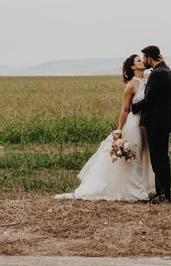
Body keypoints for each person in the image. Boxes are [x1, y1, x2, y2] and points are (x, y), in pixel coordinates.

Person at [54, 54, 154, 201]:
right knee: (133, 155)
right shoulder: (131, 85)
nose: (142, 61)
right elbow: (125, 109)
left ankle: (140, 188)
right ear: (133, 67)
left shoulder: (147, 81)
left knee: (142, 155)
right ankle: (136, 192)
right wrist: (119, 129)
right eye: (139, 60)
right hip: (133, 123)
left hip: (144, 124)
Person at [130, 45, 171, 204]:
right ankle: (165, 194)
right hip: (166, 121)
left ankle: (162, 195)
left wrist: (134, 107)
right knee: (163, 158)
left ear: (149, 58)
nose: (144, 61)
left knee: (158, 160)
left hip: (156, 122)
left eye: (144, 58)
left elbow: (150, 100)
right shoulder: (168, 72)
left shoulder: (157, 74)